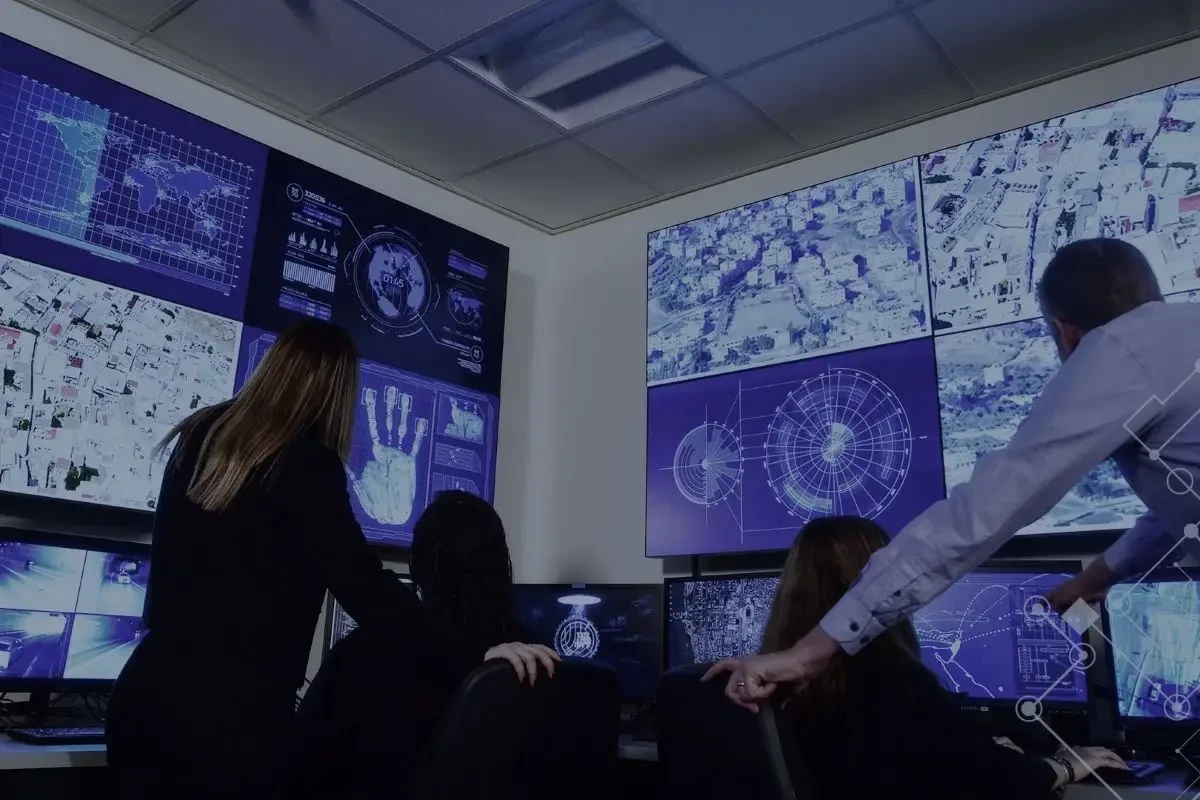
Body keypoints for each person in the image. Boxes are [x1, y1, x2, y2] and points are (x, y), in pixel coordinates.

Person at [709, 238, 1200, 708]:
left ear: (1064, 332)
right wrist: (1099, 575)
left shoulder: (1117, 350)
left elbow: (981, 513)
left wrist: (807, 653)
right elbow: (1183, 502)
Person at [105, 320, 552, 799]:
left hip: (144, 697)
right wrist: (476, 656)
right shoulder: (308, 466)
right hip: (230, 725)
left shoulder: (199, 434)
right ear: (335, 393)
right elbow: (366, 587)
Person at [753, 517, 1127, 799]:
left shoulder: (769, 686)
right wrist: (1065, 765)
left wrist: (982, 750)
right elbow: (994, 779)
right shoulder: (895, 684)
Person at [293, 490, 554, 798]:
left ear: (416, 567)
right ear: (503, 566)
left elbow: (299, 764)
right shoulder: (535, 659)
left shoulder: (361, 655)